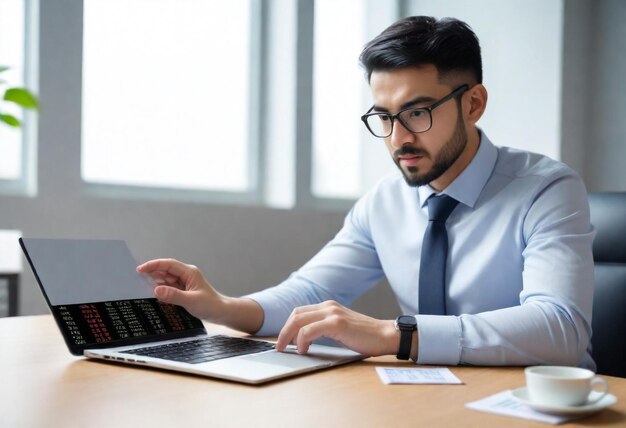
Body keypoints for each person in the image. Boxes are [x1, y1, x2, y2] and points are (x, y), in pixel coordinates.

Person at [137, 16, 595, 368]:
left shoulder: (547, 190)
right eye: (384, 117)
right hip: (428, 400)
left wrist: (396, 334)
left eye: (417, 113)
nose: (398, 139)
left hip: (536, 405)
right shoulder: (384, 202)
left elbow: (560, 327)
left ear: (473, 104)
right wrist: (223, 306)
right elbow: (310, 291)